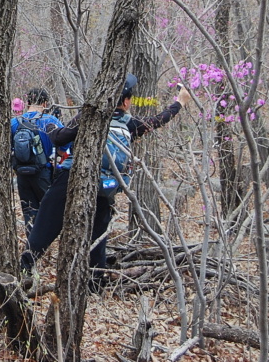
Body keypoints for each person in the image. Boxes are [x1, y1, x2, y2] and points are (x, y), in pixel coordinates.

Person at [20, 74, 191, 285]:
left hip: (71, 178)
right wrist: (179, 103)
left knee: (46, 223)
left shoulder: (89, 116)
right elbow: (156, 121)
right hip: (106, 185)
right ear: (126, 101)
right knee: (98, 235)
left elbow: (59, 138)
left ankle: (25, 268)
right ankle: (95, 282)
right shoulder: (129, 123)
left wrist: (49, 127)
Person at [10, 88, 62, 232]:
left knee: (29, 211)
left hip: (22, 174)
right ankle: (45, 244)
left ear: (28, 103)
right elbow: (65, 144)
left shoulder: (14, 122)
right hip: (43, 172)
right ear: (45, 103)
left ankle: (31, 248)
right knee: (48, 211)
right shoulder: (50, 121)